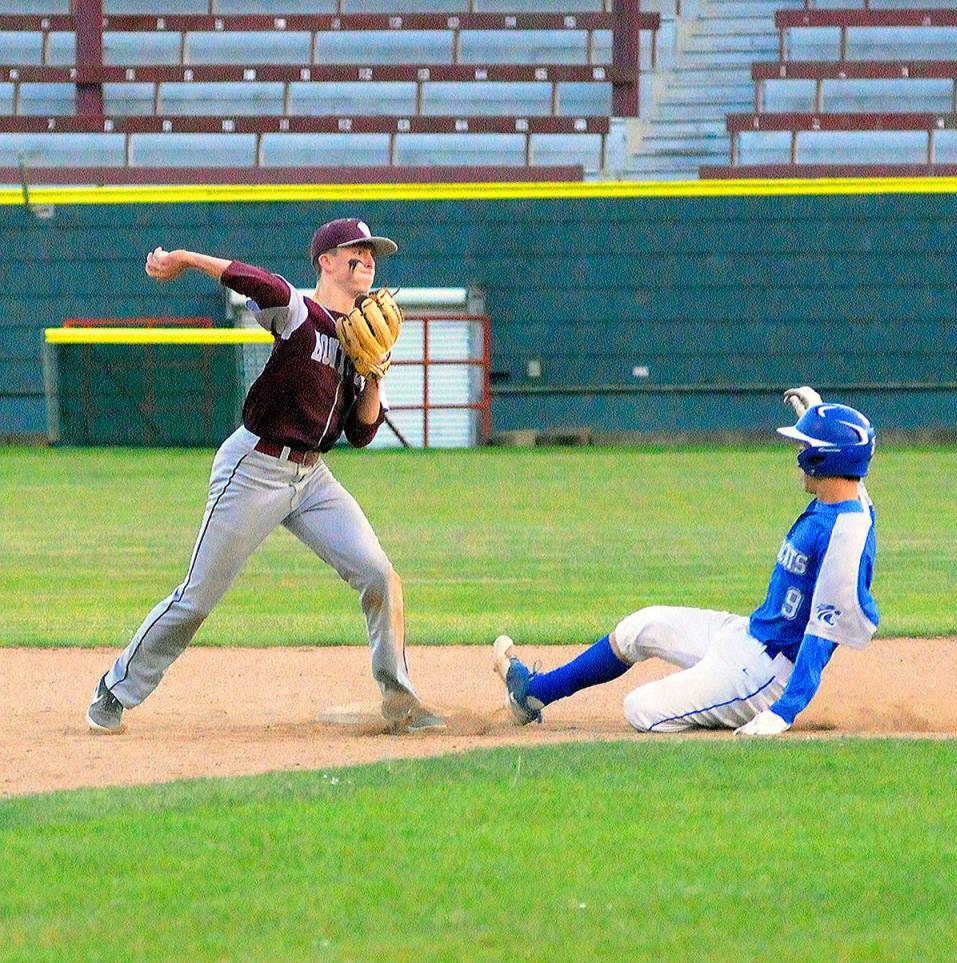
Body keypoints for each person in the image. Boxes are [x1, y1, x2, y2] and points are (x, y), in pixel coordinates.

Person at [87, 218, 445, 734]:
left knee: (379, 574)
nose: (367, 261)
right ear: (325, 261)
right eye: (356, 252)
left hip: (313, 479)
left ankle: (400, 700)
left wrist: (375, 376)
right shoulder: (298, 313)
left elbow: (362, 434)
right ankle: (114, 691)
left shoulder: (361, 343)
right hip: (253, 467)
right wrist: (185, 257)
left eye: (372, 256)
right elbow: (252, 280)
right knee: (198, 597)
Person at [493, 387, 878, 737]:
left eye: (804, 446)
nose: (797, 457)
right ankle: (532, 696)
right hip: (746, 635)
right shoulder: (845, 499)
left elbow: (822, 635)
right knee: (639, 628)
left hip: (765, 675)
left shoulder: (845, 533)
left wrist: (783, 712)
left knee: (640, 709)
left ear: (820, 458)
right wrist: (818, 414)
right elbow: (853, 471)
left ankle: (721, 698)